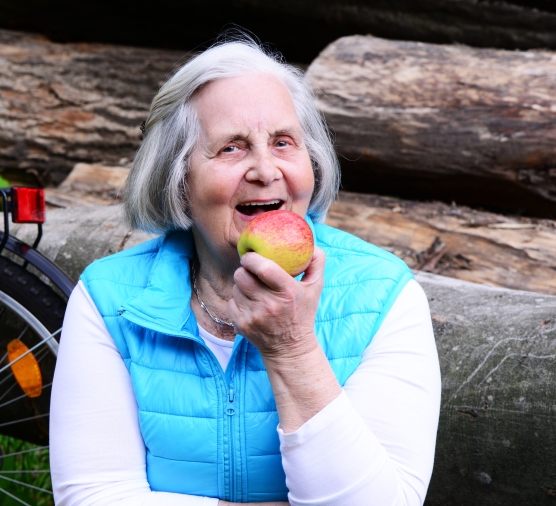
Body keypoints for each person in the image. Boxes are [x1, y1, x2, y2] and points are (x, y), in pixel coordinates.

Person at [50, 35, 441, 506]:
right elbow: (94, 496)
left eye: (283, 142)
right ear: (178, 178)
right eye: (233, 148)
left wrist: (292, 350)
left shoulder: (383, 297)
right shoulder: (109, 299)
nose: (265, 169)